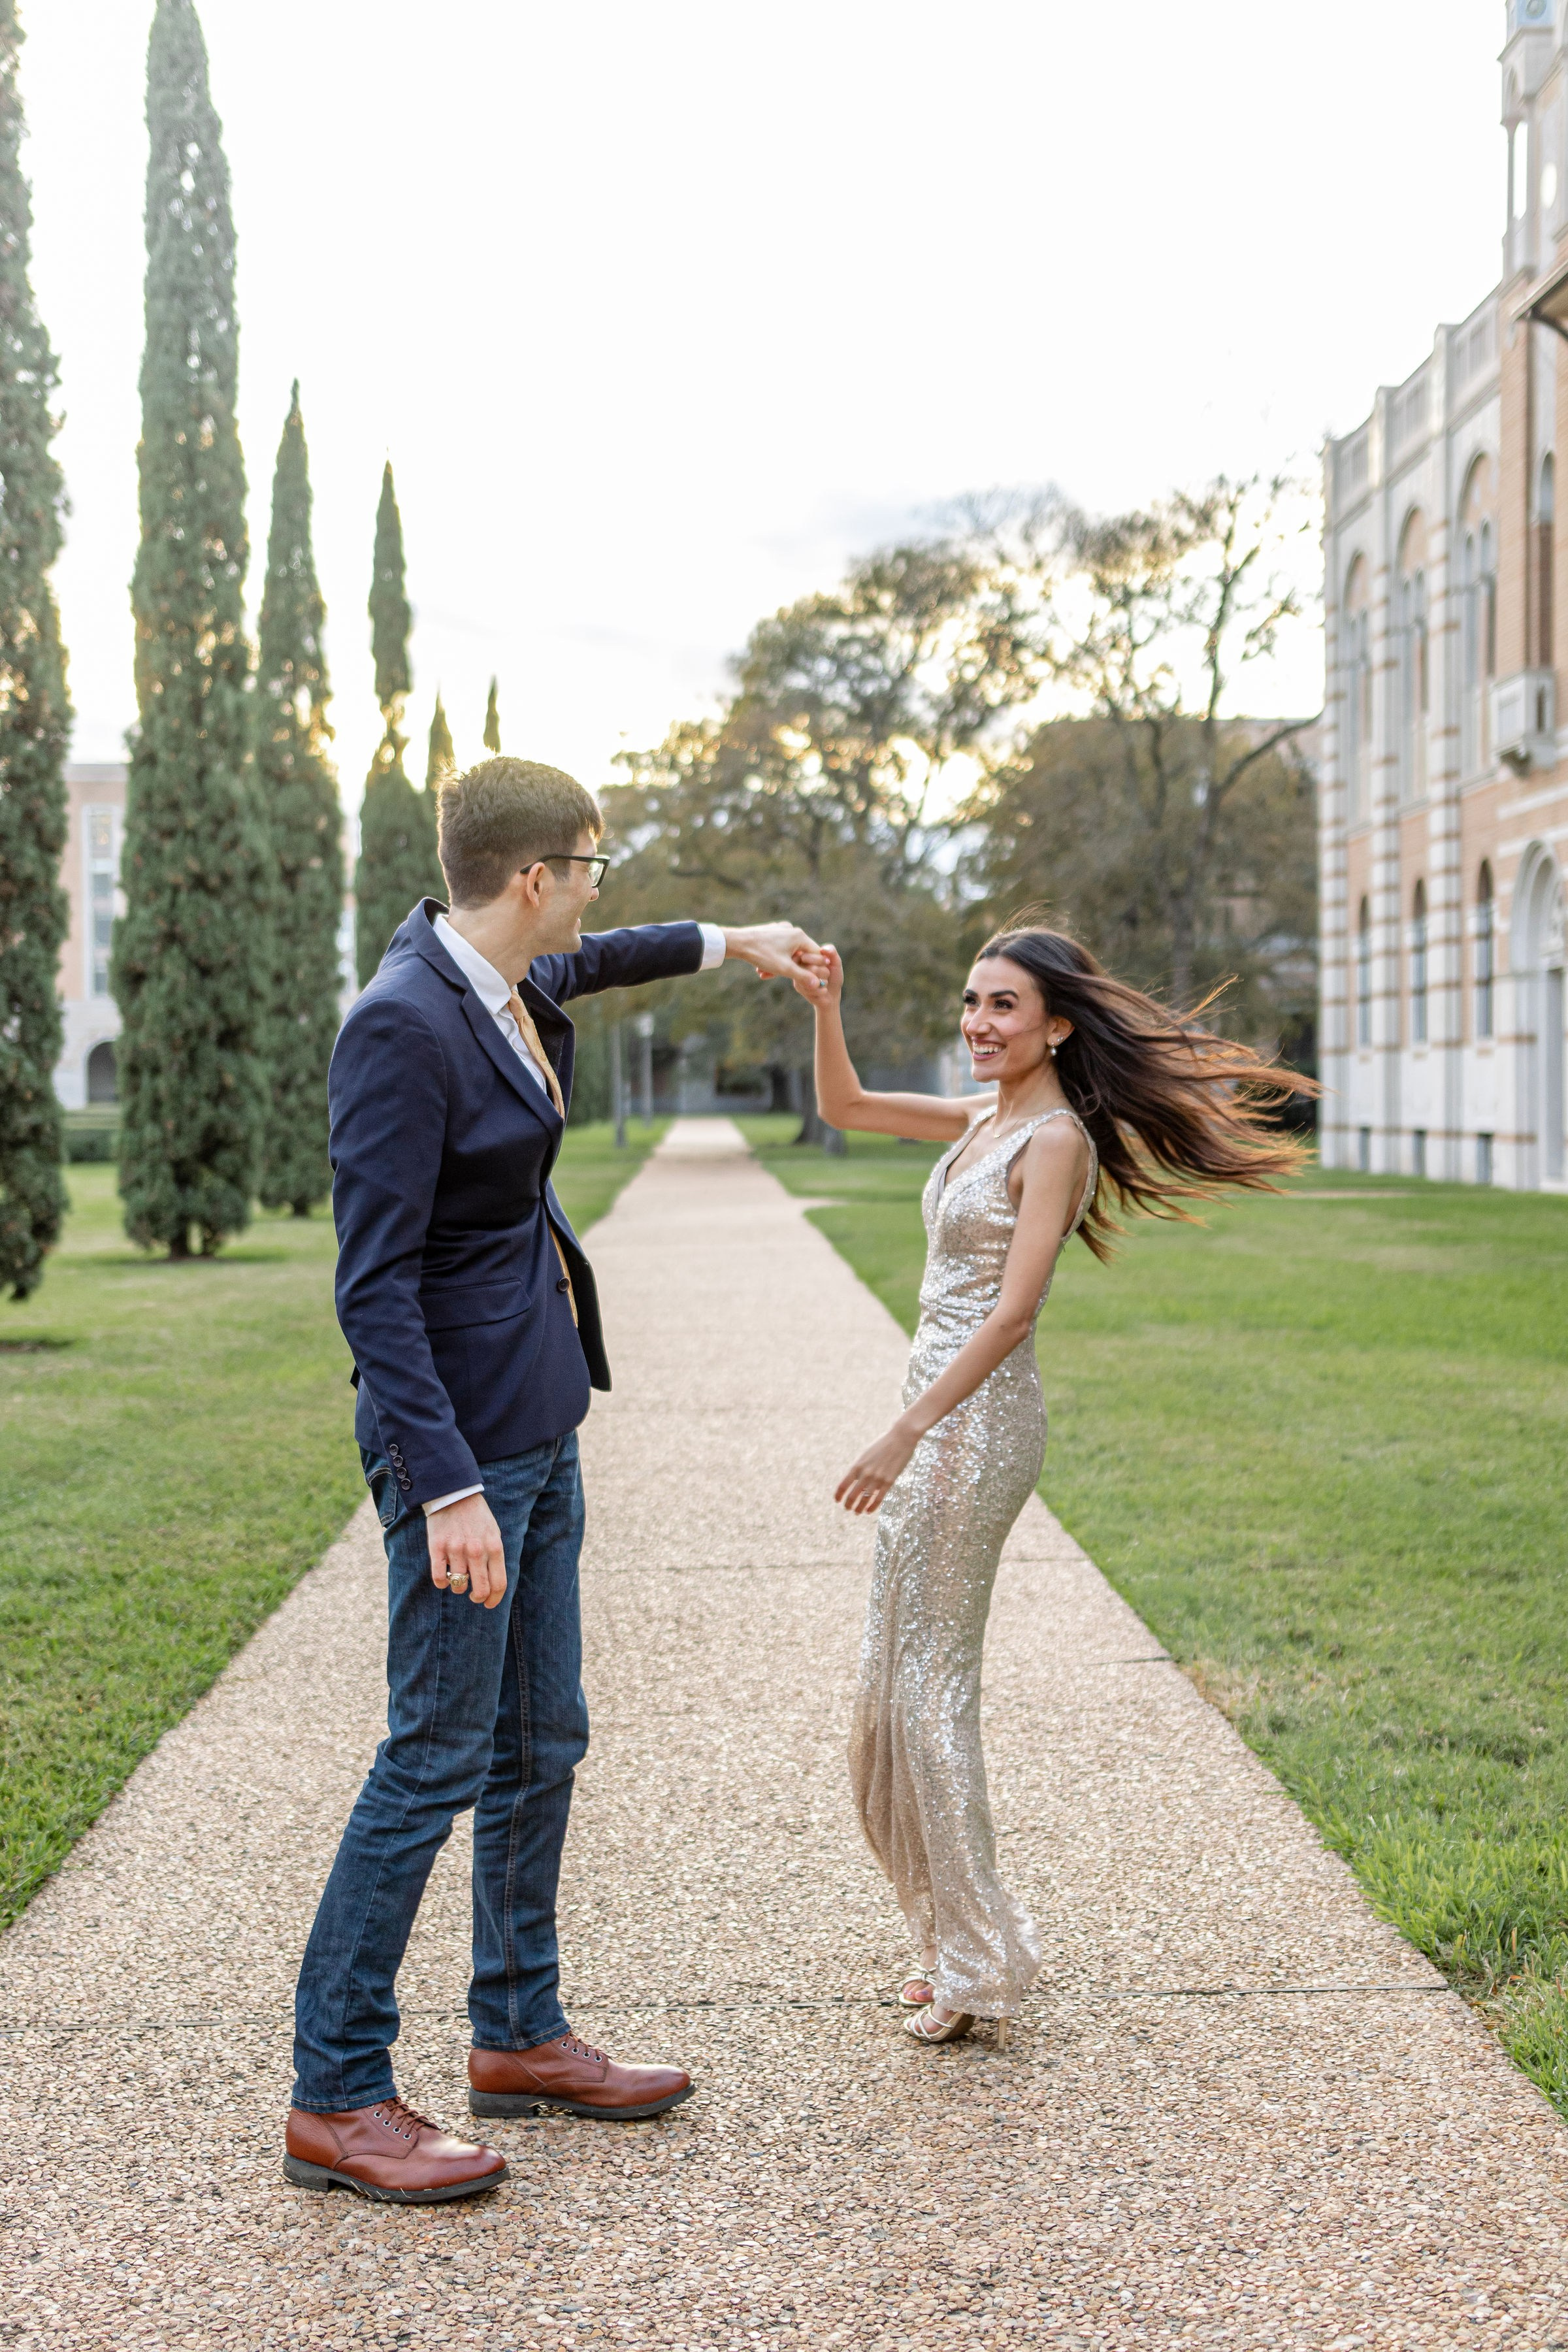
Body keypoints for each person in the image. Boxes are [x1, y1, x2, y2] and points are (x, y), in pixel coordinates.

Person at [285, 757, 823, 2204]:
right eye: (589, 865)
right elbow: (375, 1289)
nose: (598, 888)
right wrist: (447, 1486)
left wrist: (740, 941)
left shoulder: (504, 974)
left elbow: (617, 954)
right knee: (432, 1762)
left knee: (545, 1741)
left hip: (540, 1419)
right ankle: (335, 2093)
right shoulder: (402, 1025)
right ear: (533, 877)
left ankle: (517, 2031)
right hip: (461, 1456)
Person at [793, 923, 1309, 2047]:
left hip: (971, 1431)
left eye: (1004, 1006)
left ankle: (978, 1963)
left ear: (1057, 1025)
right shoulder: (987, 1117)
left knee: (927, 1695)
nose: (978, 1022)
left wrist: (903, 1433)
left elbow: (1014, 1310)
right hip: (932, 1414)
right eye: (971, 1001)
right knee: (889, 1695)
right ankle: (954, 1942)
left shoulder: (1056, 1141)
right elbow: (849, 1109)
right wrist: (828, 1003)